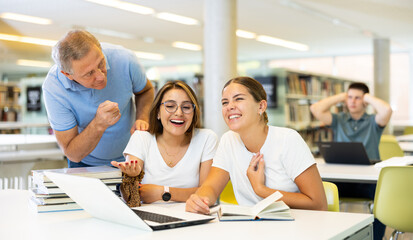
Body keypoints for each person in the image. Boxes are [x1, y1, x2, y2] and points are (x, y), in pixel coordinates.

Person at [186, 76, 327, 214]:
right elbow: (210, 186)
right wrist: (201, 199)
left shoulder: (288, 140)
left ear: (261, 106)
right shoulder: (228, 140)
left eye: (239, 99)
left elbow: (319, 204)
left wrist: (260, 189)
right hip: (250, 228)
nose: (230, 107)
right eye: (224, 102)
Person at [43, 30, 154, 168]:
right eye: (89, 73)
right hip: (85, 162)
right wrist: (98, 124)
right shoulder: (54, 87)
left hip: (132, 157)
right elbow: (73, 153)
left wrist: (142, 118)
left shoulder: (125, 59)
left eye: (101, 63)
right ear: (68, 74)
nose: (101, 76)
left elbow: (146, 90)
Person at [111, 80, 218, 204]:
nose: (179, 113)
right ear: (157, 112)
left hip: (192, 215)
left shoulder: (206, 138)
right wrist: (131, 177)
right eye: (170, 106)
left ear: (194, 113)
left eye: (186, 107)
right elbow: (131, 200)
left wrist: (163, 192)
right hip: (149, 219)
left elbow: (206, 193)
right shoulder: (141, 138)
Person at [310, 82, 392, 240]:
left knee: (382, 200)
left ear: (365, 101)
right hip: (341, 179)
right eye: (349, 98)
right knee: (320, 192)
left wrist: (367, 97)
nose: (352, 101)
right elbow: (315, 109)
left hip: (368, 182)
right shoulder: (339, 119)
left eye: (357, 98)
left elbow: (387, 110)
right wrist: (341, 96)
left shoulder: (374, 122)